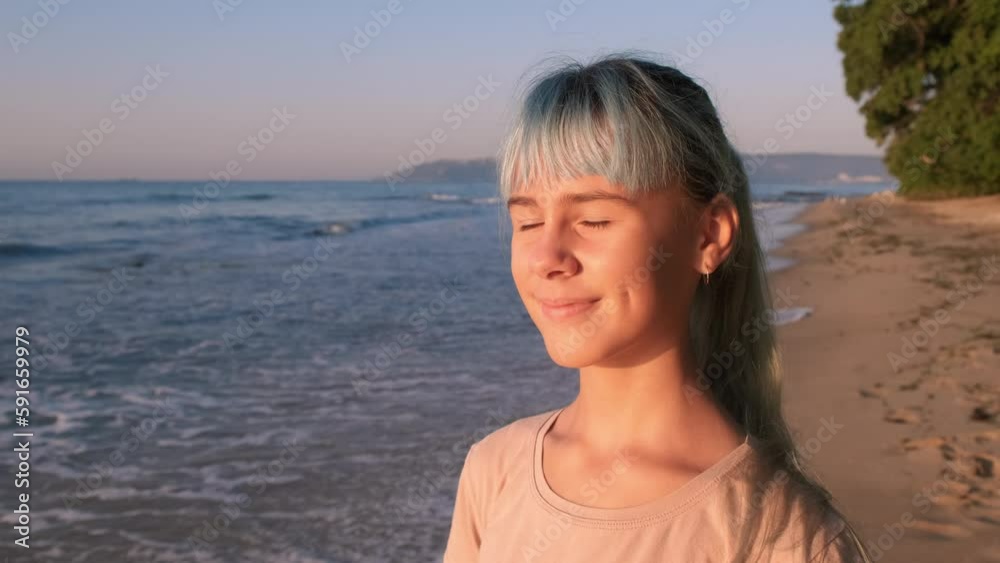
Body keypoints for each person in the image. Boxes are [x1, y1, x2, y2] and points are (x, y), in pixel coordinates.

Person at [442, 52, 870, 562]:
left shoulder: (781, 538)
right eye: (528, 222)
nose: (546, 258)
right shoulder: (494, 470)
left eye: (594, 219)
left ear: (709, 235)